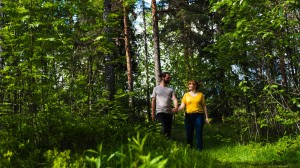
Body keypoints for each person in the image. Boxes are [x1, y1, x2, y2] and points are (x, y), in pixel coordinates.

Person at [177, 80, 209, 150]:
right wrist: (176, 109)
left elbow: (204, 106)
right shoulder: (186, 95)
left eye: (191, 84)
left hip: (199, 116)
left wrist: (206, 117)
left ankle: (199, 150)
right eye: (189, 84)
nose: (189, 85)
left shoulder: (200, 95)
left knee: (199, 133)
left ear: (195, 86)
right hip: (189, 116)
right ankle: (189, 148)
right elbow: (182, 106)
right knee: (189, 134)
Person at [151, 72, 178, 139]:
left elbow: (174, 99)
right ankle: (161, 146)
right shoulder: (156, 88)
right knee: (162, 130)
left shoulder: (170, 89)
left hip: (169, 113)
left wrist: (176, 107)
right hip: (160, 113)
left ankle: (167, 147)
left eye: (169, 78)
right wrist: (153, 113)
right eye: (168, 78)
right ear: (163, 78)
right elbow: (153, 101)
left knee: (168, 131)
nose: (169, 79)